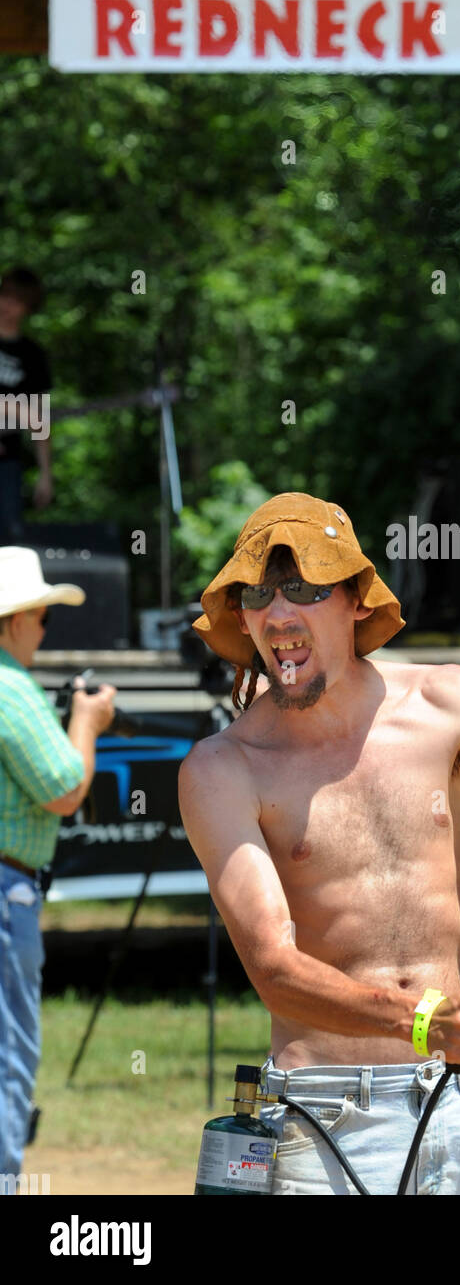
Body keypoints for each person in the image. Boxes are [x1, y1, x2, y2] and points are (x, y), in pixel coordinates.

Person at [179, 493, 460, 1196]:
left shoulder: (451, 702)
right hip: (324, 1118)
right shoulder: (221, 769)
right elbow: (274, 967)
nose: (277, 614)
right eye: (256, 594)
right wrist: (423, 1018)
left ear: (357, 602)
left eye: (304, 588)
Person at [0, 546, 116, 1185]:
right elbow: (65, 787)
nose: (44, 629)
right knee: (9, 1053)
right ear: (15, 619)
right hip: (5, 889)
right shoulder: (10, 687)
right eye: (41, 617)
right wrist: (87, 720)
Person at [0, 269, 53, 543]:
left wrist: (45, 474)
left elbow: (39, 418)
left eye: (17, 301)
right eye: (5, 296)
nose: (8, 306)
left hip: (7, 462)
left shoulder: (32, 355)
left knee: (11, 543)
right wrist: (9, 408)